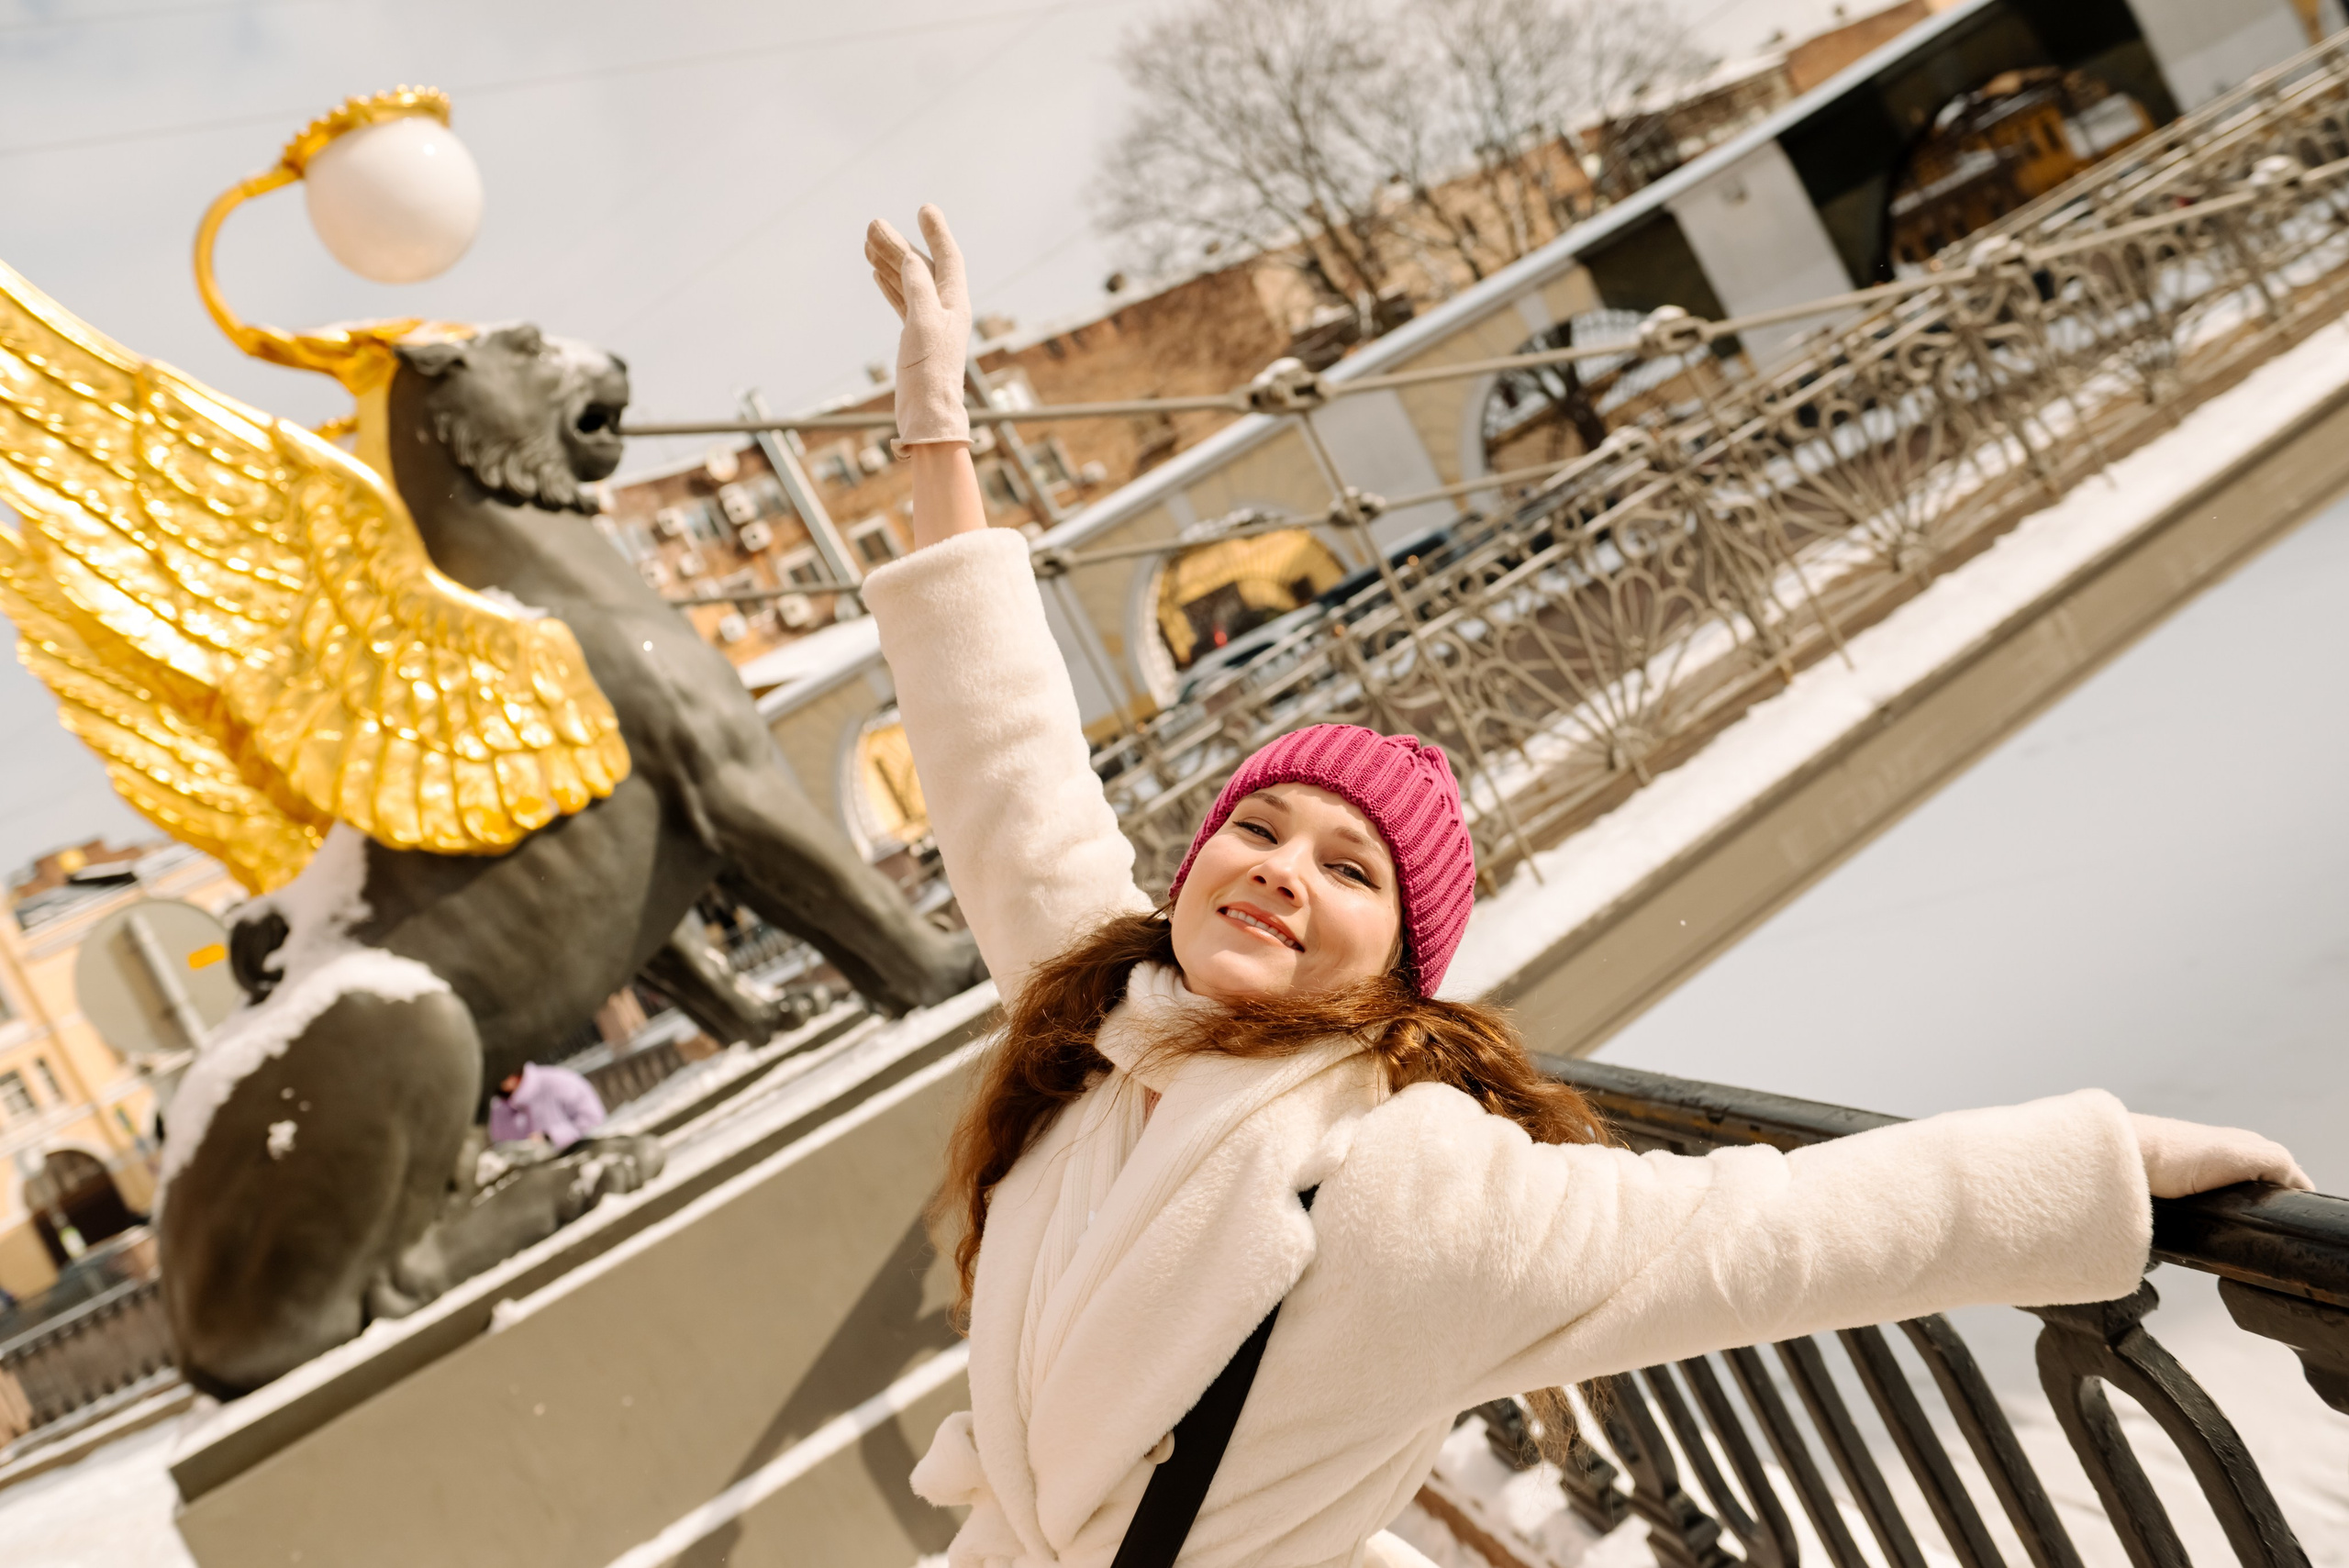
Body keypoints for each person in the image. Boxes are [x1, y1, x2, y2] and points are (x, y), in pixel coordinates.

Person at [856, 206, 2311, 1568]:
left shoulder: (1411, 1193)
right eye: (1263, 829)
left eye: (1348, 868)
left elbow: (1777, 1229)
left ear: (1396, 971)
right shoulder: (1104, 1018)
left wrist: (2107, 1164)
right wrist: (936, 430)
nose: (1284, 872)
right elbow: (1007, 767)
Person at [487, 1062, 607, 1152]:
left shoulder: (560, 1082)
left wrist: (549, 1138)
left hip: (576, 1164)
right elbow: (498, 1143)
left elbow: (594, 1120)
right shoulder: (498, 1106)